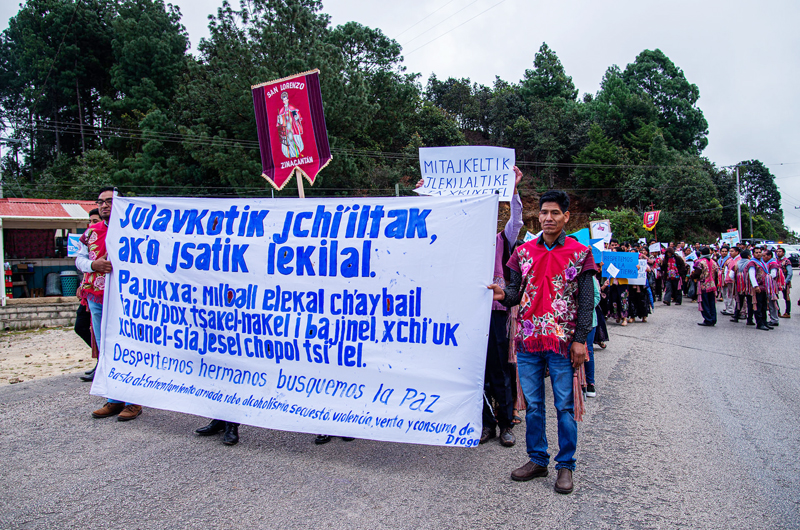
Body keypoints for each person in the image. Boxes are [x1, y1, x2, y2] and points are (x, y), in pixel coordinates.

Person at [490, 190, 598, 495]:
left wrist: (580, 341)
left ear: (566, 216)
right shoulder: (523, 252)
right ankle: (537, 459)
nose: (548, 218)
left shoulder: (580, 253)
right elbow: (514, 293)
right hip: (527, 342)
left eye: (554, 213)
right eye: (543, 213)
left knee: (564, 407)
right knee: (534, 406)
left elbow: (587, 301)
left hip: (563, 344)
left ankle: (566, 466)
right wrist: (502, 296)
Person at [76, 187, 143, 421]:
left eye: (109, 201)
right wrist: (93, 266)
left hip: (127, 298)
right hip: (97, 295)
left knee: (130, 346)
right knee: (107, 347)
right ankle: (114, 398)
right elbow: (79, 259)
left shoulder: (135, 229)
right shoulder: (91, 232)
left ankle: (134, 400)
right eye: (100, 202)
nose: (104, 205)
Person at [480, 166, 524, 447]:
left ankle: (506, 423)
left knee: (499, 371)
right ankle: (486, 424)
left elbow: (516, 221)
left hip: (496, 314)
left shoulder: (501, 240)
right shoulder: (458, 241)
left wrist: (514, 189)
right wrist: (428, 192)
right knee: (476, 373)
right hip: (467, 316)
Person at [76, 209, 101, 382]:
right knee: (84, 327)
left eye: (95, 221)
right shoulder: (88, 236)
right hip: (91, 290)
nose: (91, 224)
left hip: (109, 292)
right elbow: (81, 260)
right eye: (90, 221)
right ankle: (101, 363)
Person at [691, 247, 719, 326]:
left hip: (703, 284)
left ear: (701, 253)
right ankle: (713, 319)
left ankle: (708, 319)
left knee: (705, 302)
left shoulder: (700, 262)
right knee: (712, 303)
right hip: (712, 284)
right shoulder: (713, 262)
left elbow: (697, 273)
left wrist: (692, 276)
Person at [745, 247, 772, 331]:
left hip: (764, 287)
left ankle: (764, 322)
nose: (759, 254)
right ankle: (759, 323)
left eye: (760, 252)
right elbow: (752, 275)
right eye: (756, 252)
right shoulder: (752, 263)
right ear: (753, 254)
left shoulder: (761, 262)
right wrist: (755, 286)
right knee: (758, 306)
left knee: (764, 306)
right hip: (758, 287)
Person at [732, 248, 754, 325]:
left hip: (739, 285)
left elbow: (731, 275)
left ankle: (736, 316)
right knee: (750, 302)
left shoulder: (736, 263)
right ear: (748, 256)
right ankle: (749, 319)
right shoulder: (750, 263)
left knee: (739, 301)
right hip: (748, 286)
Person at [720, 246, 740, 316]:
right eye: (730, 251)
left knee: (734, 296)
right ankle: (729, 308)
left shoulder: (739, 260)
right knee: (728, 295)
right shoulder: (729, 260)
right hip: (728, 280)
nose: (730, 253)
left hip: (735, 281)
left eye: (732, 251)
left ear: (737, 252)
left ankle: (735, 310)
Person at [776, 247, 792, 318]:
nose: (778, 253)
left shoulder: (786, 261)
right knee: (774, 297)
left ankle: (787, 312)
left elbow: (790, 273)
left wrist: (786, 281)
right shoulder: (775, 261)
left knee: (786, 297)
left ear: (783, 253)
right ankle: (777, 311)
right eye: (777, 251)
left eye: (780, 251)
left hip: (784, 282)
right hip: (776, 281)